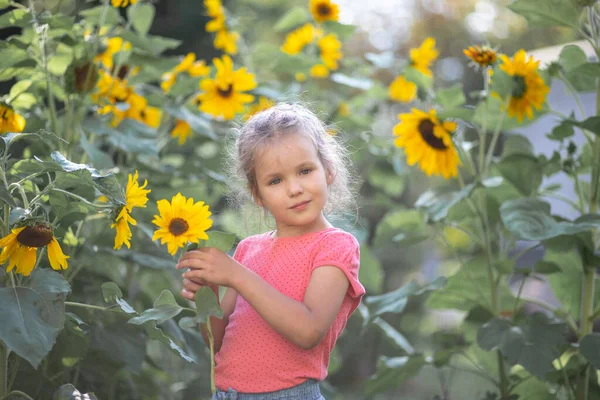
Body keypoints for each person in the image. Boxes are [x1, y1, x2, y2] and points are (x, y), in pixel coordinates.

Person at [176, 103, 365, 400]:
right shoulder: (249, 249)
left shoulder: (335, 246)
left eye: (305, 171)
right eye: (276, 180)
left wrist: (237, 276)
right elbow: (217, 341)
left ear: (328, 170)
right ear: (258, 195)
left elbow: (308, 331)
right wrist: (209, 291)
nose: (294, 189)